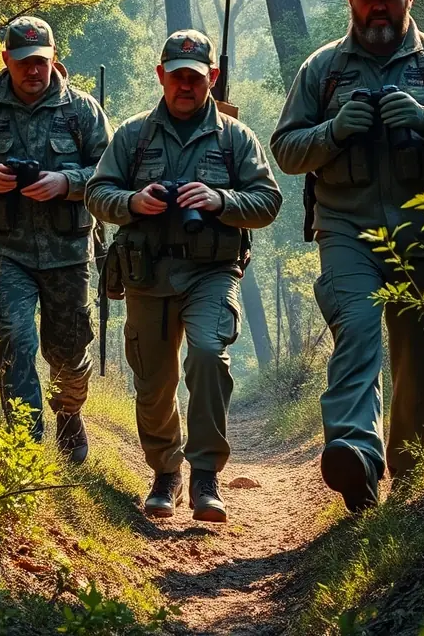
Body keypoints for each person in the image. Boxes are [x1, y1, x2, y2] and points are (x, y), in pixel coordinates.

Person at [271, 0, 424, 512]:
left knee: (420, 355)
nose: (379, 8)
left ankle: (412, 475)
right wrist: (333, 132)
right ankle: (355, 455)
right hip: (346, 228)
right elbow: (285, 150)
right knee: (357, 330)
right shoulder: (322, 70)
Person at [85, 30, 282, 522]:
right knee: (153, 380)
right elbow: (96, 193)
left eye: (196, 78)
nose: (186, 86)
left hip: (211, 270)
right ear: (161, 76)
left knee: (208, 355)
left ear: (212, 78)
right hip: (146, 271)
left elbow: (268, 201)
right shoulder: (132, 135)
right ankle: (165, 471)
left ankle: (205, 475)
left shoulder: (235, 138)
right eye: (177, 77)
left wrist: (221, 201)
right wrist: (132, 202)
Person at [0, 16, 112, 463]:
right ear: (6, 61)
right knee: (16, 337)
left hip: (69, 252)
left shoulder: (82, 111)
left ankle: (69, 414)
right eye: (23, 63)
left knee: (69, 352)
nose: (32, 71)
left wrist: (66, 182)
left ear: (54, 58)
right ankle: (25, 446)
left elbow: (112, 176)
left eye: (39, 61)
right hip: (6, 250)